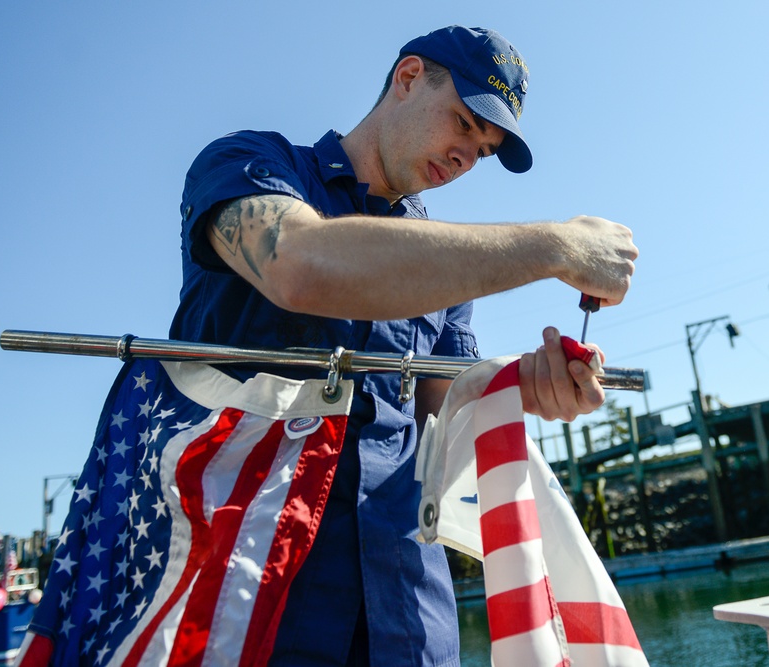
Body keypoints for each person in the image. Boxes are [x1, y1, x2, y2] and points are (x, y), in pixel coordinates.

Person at [169, 24, 637, 667]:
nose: (467, 155)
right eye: (465, 123)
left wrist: (534, 384)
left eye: (486, 148)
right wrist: (556, 246)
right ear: (409, 77)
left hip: (409, 614)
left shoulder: (444, 268)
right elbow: (298, 265)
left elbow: (452, 412)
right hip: (245, 596)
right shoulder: (248, 164)